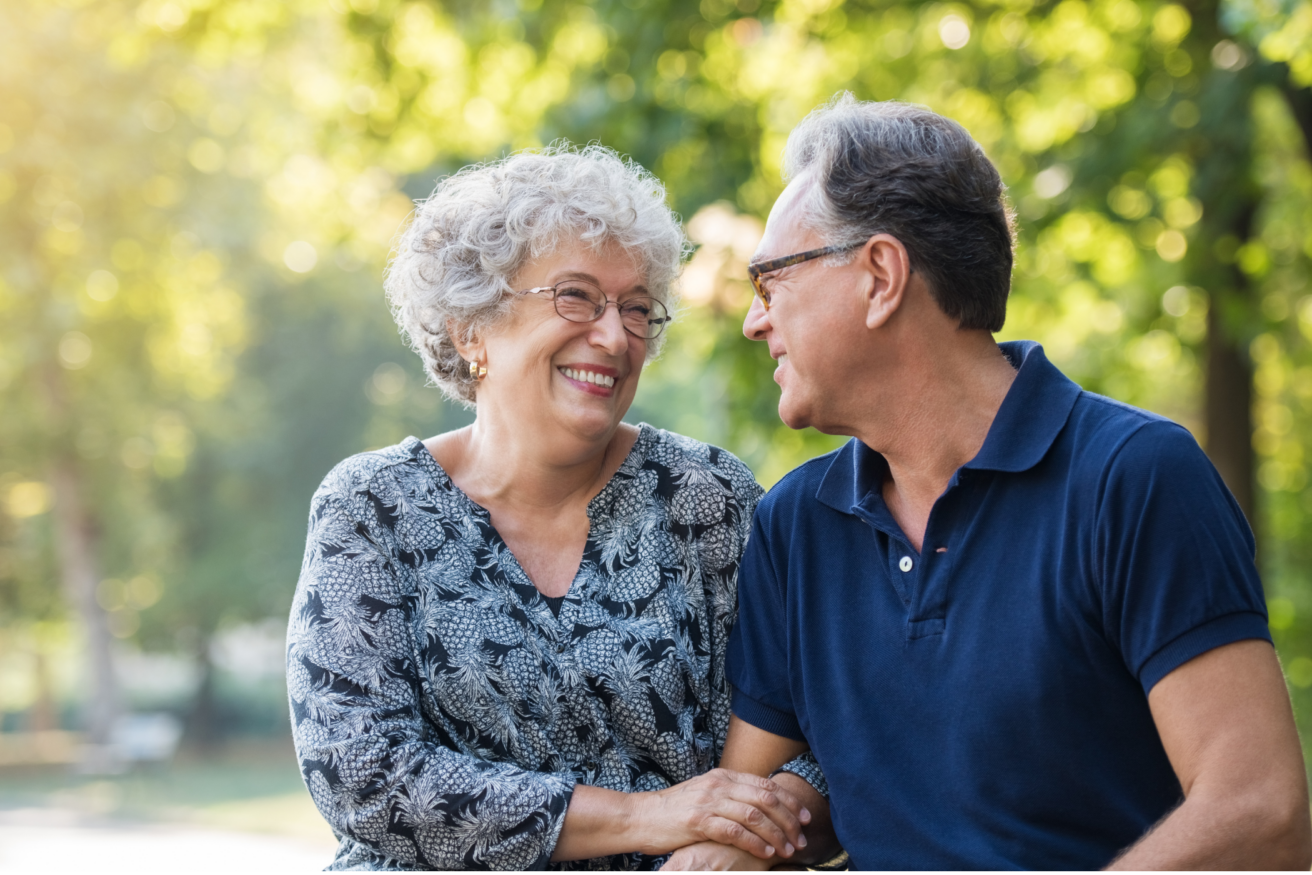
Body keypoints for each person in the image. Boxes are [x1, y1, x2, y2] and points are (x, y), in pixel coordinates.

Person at [668, 95, 1312, 869]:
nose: (754, 320)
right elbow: (758, 796)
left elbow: (1260, 809)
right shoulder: (797, 525)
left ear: (880, 276)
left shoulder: (1135, 477)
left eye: (771, 280)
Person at [285, 144, 830, 870]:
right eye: (576, 296)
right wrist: (654, 814)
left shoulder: (710, 498)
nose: (614, 336)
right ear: (470, 326)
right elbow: (363, 775)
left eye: (636, 307)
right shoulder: (371, 508)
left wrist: (736, 845)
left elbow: (830, 729)